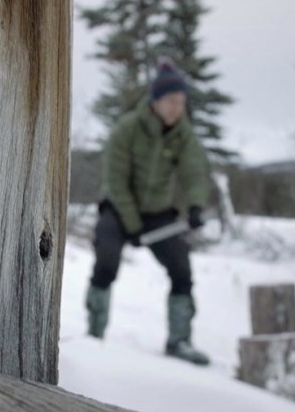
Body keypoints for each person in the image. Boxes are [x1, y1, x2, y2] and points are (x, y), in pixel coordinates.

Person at [85, 58, 211, 365]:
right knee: (107, 261)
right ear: (155, 100)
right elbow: (114, 181)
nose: (175, 108)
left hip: (158, 212)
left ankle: (179, 341)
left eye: (180, 102)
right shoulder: (127, 129)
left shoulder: (183, 134)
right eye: (170, 101)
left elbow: (194, 171)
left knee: (182, 271)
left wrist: (196, 204)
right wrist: (131, 225)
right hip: (119, 208)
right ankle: (93, 337)